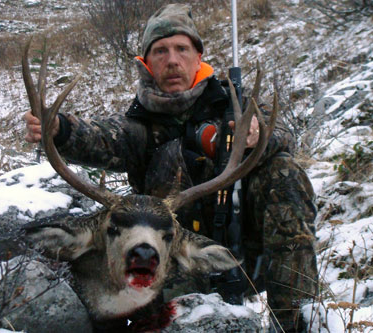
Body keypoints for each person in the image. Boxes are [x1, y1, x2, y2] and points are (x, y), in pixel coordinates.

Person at [24, 4, 318, 332]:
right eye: (161, 51)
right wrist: (60, 129)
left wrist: (258, 134)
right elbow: (102, 138)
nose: (173, 60)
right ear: (146, 64)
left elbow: (282, 135)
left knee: (283, 172)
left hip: (247, 255)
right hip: (168, 258)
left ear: (199, 57)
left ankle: (295, 319)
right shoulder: (139, 127)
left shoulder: (235, 106)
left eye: (182, 49)